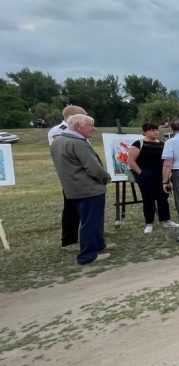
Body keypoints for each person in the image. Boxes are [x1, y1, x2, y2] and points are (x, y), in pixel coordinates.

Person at [49, 114, 112, 265]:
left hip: (72, 188)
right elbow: (94, 168)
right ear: (78, 126)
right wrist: (106, 177)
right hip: (88, 189)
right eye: (90, 125)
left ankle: (98, 246)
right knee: (91, 222)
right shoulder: (78, 143)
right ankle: (88, 255)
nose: (93, 128)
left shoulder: (57, 141)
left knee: (90, 220)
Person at [48, 105, 87, 251]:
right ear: (72, 117)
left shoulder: (78, 130)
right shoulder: (59, 131)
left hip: (83, 174)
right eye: (83, 116)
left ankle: (87, 234)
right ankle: (69, 240)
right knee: (71, 207)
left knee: (84, 206)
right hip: (72, 175)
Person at [127, 123, 178, 234]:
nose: (155, 132)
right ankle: (149, 223)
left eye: (156, 130)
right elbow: (131, 161)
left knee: (163, 198)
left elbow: (166, 160)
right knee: (148, 200)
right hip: (145, 177)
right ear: (145, 132)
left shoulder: (162, 144)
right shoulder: (138, 143)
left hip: (161, 177)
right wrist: (141, 174)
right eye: (152, 130)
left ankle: (166, 220)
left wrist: (167, 174)